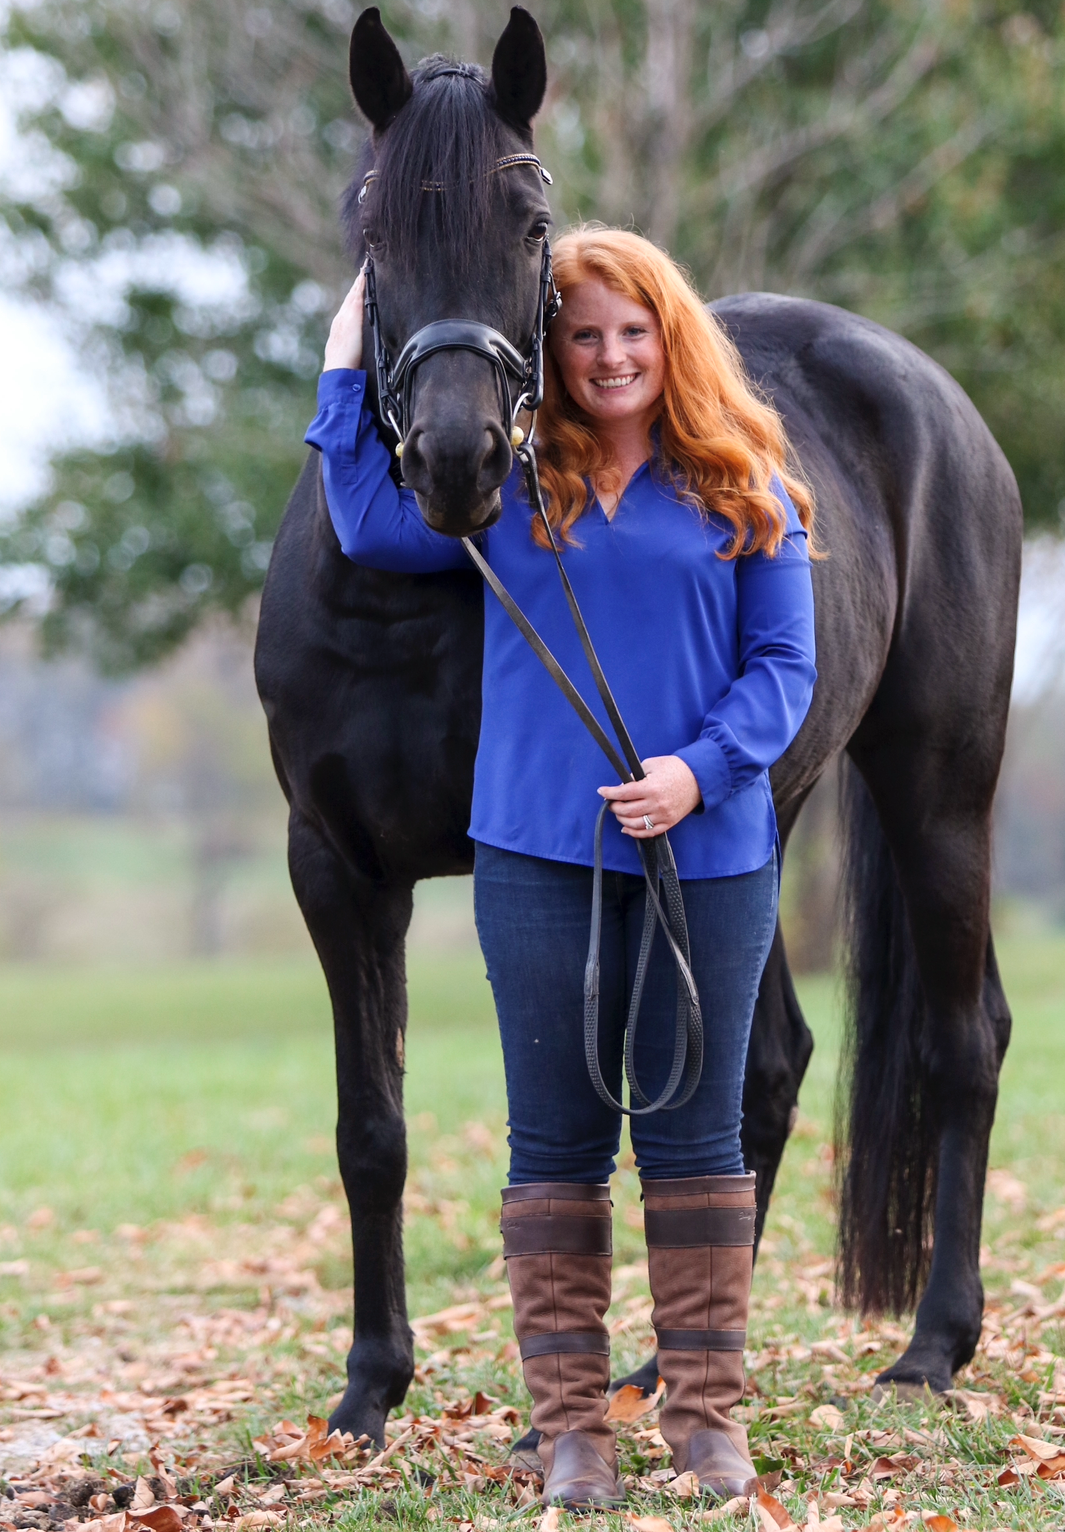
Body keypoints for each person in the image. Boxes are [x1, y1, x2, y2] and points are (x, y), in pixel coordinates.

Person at [307, 226, 817, 1508]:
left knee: (698, 1141)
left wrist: (700, 770)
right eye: (582, 335)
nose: (608, 355)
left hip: (709, 852)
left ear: (671, 336)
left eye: (631, 331)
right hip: (538, 855)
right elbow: (369, 523)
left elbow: (786, 674)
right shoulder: (517, 490)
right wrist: (341, 359)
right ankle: (573, 1433)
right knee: (556, 1146)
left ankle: (706, 1422)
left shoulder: (747, 481)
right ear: (551, 349)